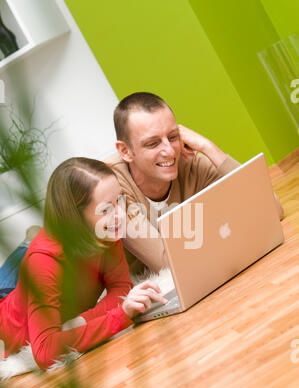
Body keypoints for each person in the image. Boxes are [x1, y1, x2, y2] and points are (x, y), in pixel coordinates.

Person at [0, 158, 166, 370]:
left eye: (120, 200)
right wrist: (119, 316)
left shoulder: (105, 232)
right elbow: (44, 351)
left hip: (38, 273)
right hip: (7, 312)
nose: (121, 215)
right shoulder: (43, 262)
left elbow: (121, 288)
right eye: (106, 209)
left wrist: (79, 321)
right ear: (75, 218)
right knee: (32, 260)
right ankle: (28, 244)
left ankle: (29, 242)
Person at [107, 92, 284, 274]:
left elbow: (273, 209)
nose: (169, 151)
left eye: (173, 136)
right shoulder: (111, 187)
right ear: (125, 151)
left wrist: (208, 147)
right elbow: (168, 265)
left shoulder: (189, 162)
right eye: (153, 143)